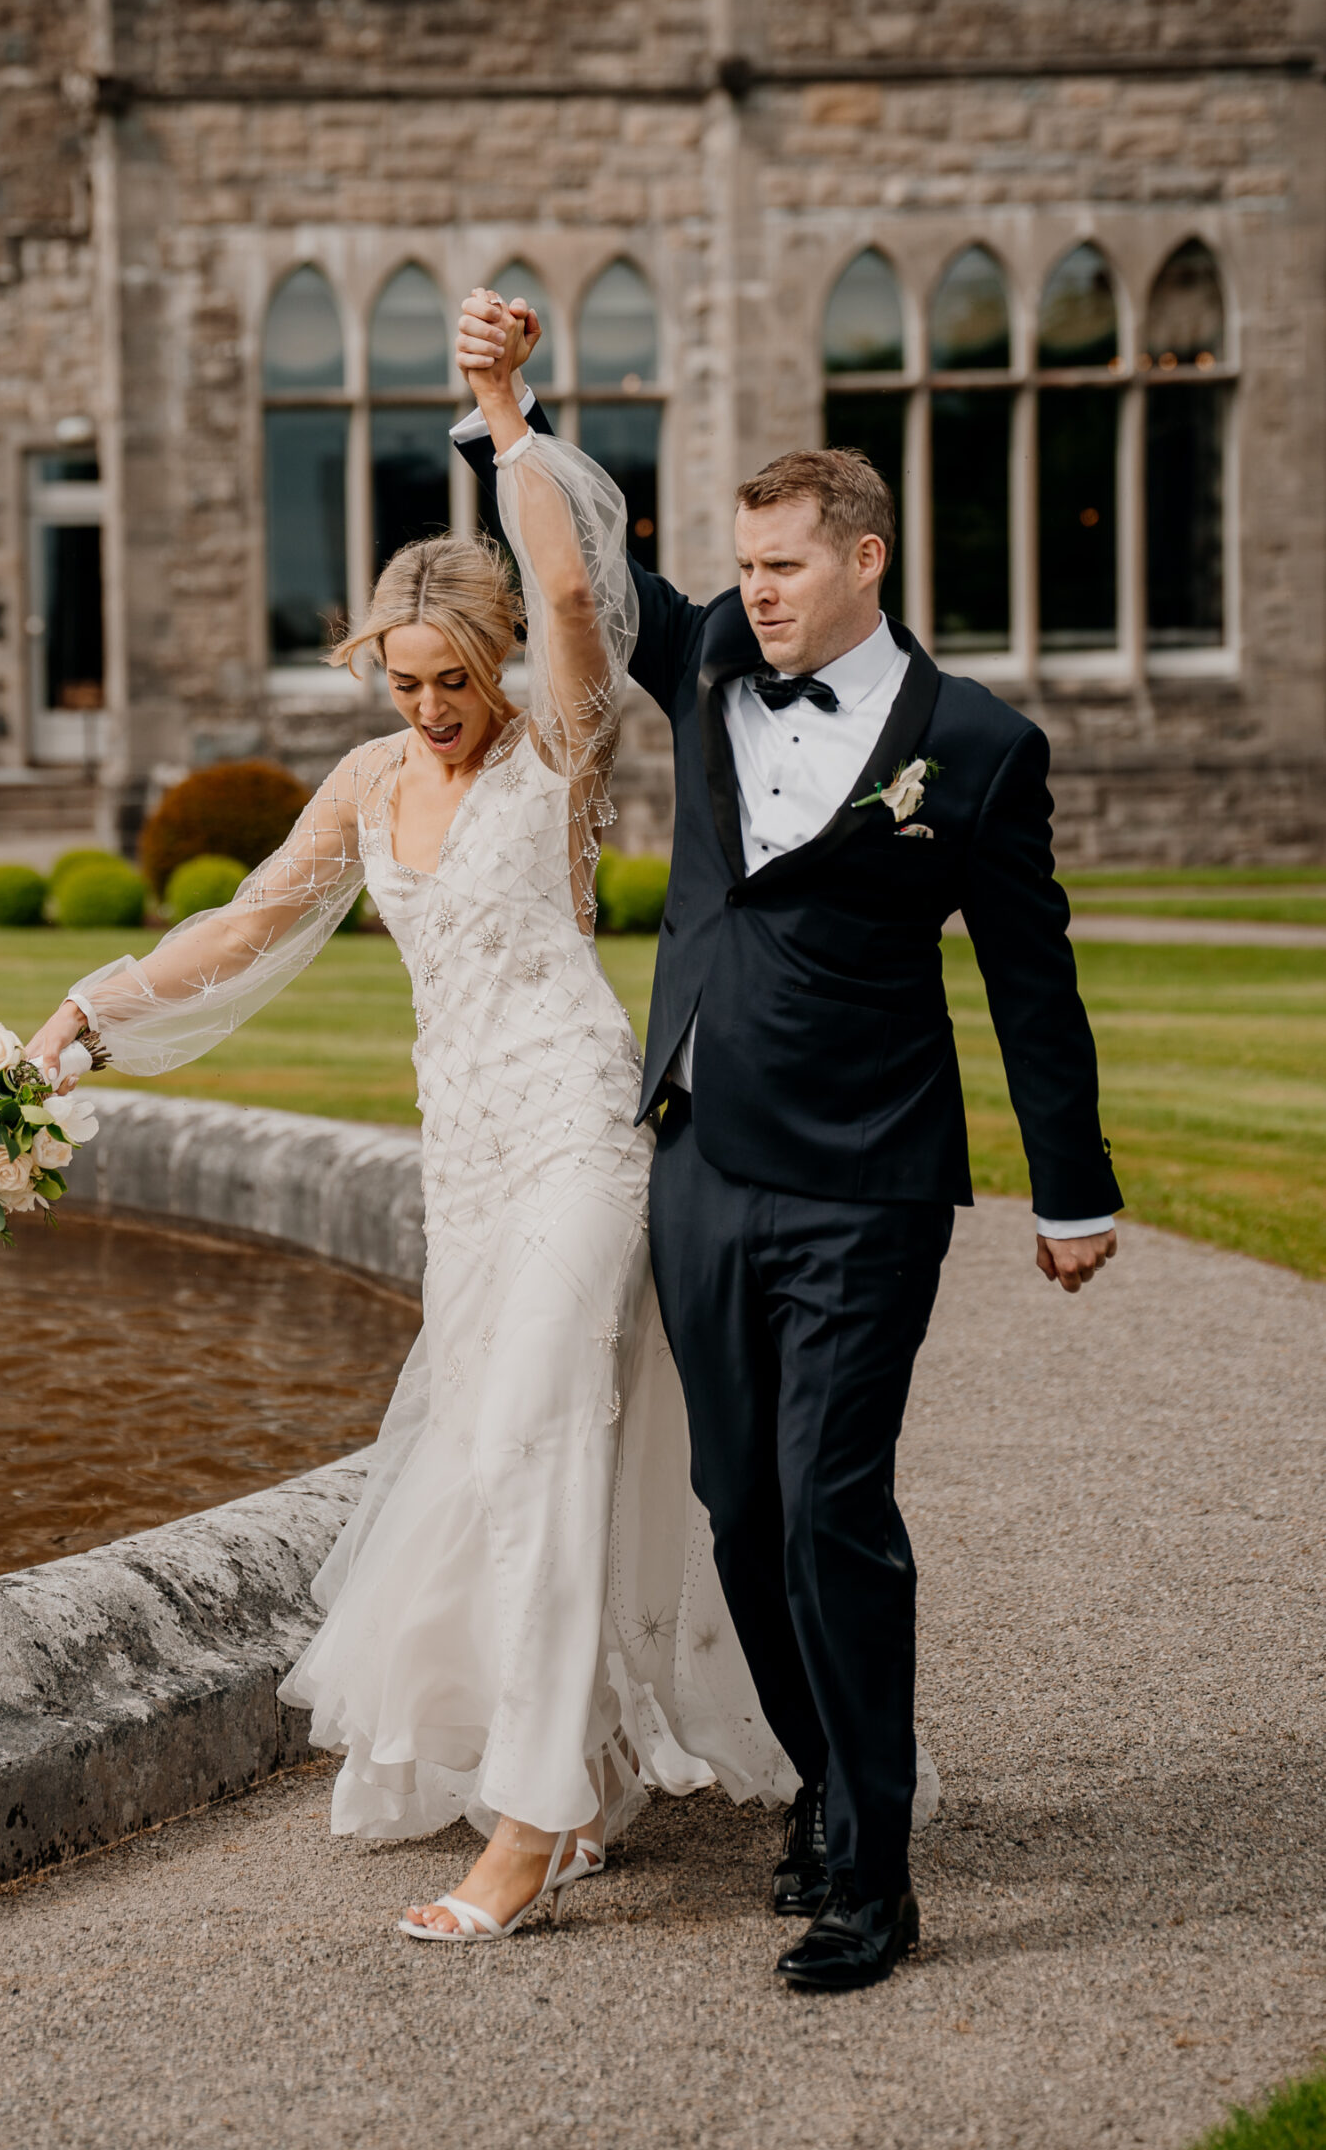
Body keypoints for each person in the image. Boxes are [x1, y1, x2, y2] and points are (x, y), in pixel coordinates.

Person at [25, 297, 798, 1945]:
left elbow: (581, 585)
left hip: (584, 1134)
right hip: (466, 1160)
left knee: (533, 1434)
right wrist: (86, 1017)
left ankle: (531, 1825)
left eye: (454, 678)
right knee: (499, 1456)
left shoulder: (565, 751)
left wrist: (507, 416)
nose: (433, 707)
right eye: (407, 679)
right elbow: (237, 928)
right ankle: (573, 1770)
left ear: (500, 662)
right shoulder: (371, 785)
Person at [452, 289, 1122, 1992]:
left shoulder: (975, 750)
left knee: (835, 1508)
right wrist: (512, 415)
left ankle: (877, 1881)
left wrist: (1073, 1186)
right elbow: (581, 575)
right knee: (741, 1509)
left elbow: (1032, 981)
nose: (756, 588)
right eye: (743, 563)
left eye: (785, 564)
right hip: (702, 1165)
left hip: (871, 1181)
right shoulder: (705, 666)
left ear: (867, 559)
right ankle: (823, 1790)